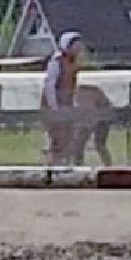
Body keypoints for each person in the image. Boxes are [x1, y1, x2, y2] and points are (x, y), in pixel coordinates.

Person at [40, 32, 84, 166]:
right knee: (57, 139)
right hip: (55, 106)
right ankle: (53, 166)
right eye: (75, 45)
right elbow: (50, 85)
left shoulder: (73, 63)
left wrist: (73, 103)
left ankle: (64, 165)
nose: (78, 48)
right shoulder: (56, 62)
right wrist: (54, 108)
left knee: (68, 137)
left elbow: (72, 86)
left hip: (66, 105)